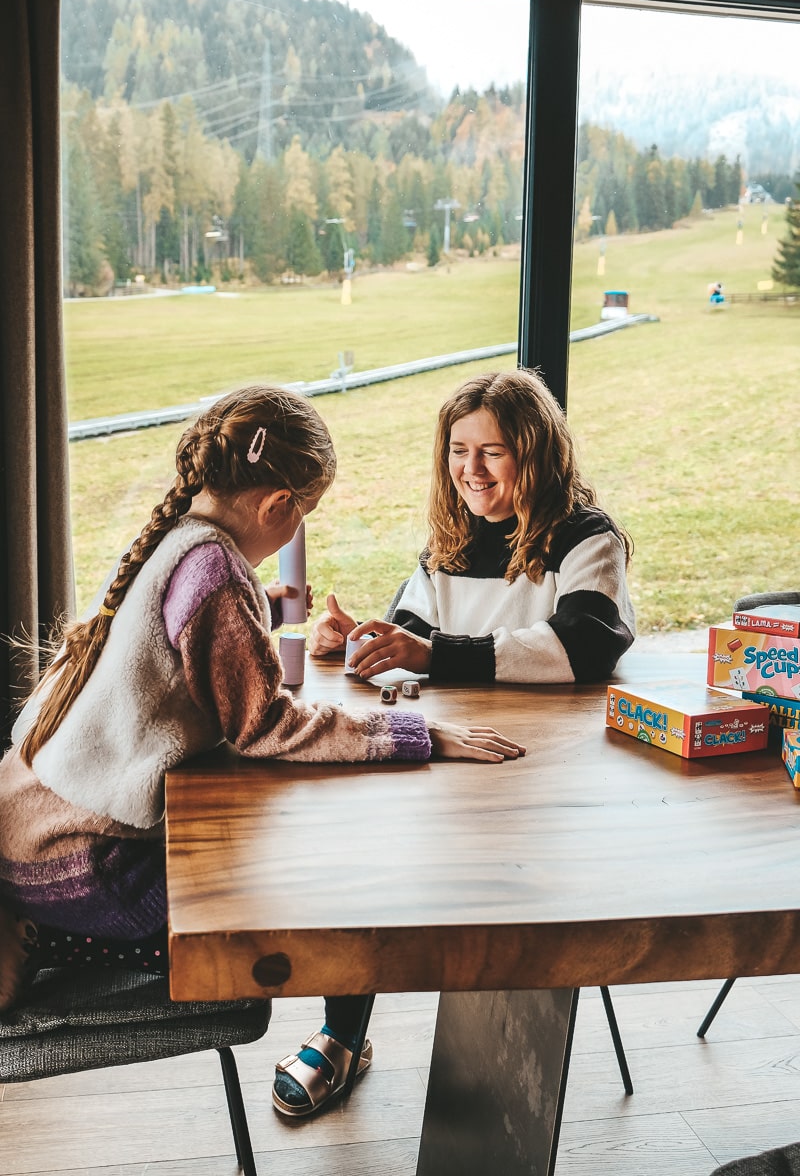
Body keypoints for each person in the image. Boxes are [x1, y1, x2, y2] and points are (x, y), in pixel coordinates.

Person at [0, 384, 525, 1115]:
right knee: (342, 889)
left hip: (30, 832)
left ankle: (337, 1040)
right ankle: (64, 942)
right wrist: (419, 734)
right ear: (280, 505)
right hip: (80, 866)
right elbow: (265, 728)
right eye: (302, 514)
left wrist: (270, 611)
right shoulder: (214, 572)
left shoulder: (178, 534)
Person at [310, 367, 636, 685]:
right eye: (459, 451)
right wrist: (358, 642)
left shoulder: (588, 538)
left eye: (492, 452)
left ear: (536, 457)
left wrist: (436, 655)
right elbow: (410, 638)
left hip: (552, 731)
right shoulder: (451, 543)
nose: (472, 468)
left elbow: (587, 646)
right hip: (465, 728)